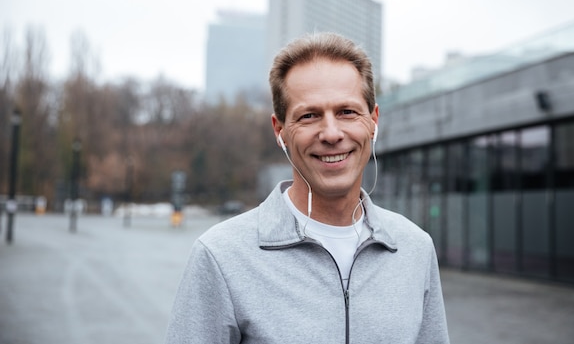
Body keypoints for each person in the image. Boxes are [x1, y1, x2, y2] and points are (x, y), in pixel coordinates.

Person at [164, 32, 450, 344]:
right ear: (280, 131)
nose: (331, 133)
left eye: (347, 112)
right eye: (309, 115)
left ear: (373, 121)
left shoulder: (415, 250)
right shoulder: (221, 256)